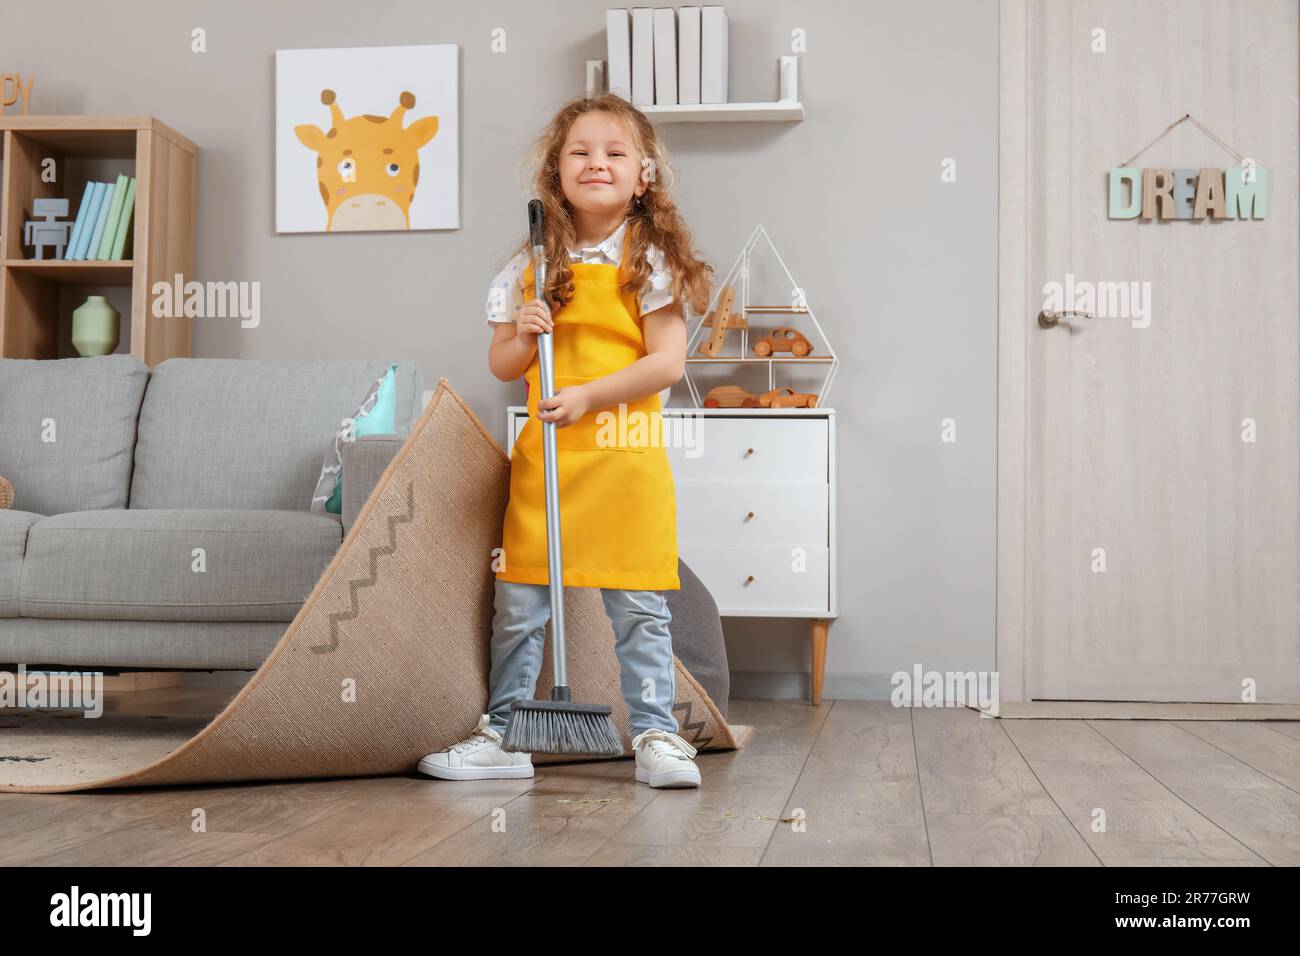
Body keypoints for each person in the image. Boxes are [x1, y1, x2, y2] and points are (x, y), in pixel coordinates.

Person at [418, 93, 713, 788]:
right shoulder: (530, 263)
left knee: (638, 603)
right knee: (520, 602)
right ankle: (504, 731)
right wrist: (524, 331)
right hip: (548, 458)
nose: (597, 162)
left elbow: (666, 363)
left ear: (644, 175)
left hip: (624, 456)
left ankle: (655, 736)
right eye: (580, 151)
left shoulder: (653, 261)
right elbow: (502, 365)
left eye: (615, 152)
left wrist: (585, 395)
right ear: (555, 170)